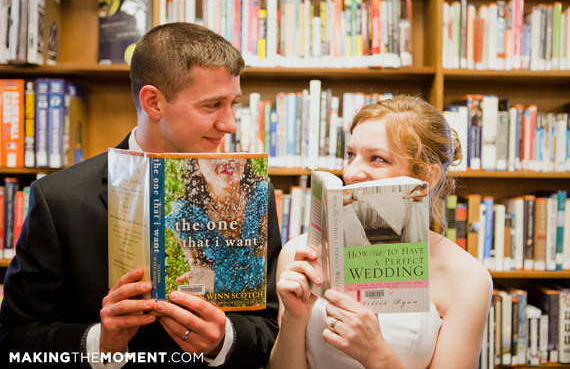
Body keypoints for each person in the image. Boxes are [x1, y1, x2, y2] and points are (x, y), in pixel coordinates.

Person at [0, 23, 282, 368]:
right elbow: (14, 339)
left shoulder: (255, 192)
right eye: (212, 105)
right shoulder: (59, 198)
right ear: (153, 102)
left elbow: (270, 328)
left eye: (232, 103)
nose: (230, 123)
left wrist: (225, 339)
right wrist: (100, 343)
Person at [267, 94, 493, 369]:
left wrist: (376, 354)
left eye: (377, 158)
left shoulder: (468, 279)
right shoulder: (300, 254)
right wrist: (294, 319)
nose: (350, 173)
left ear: (427, 177)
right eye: (351, 155)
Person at [165, 157, 268, 296]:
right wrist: (199, 282)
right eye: (212, 157)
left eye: (234, 153)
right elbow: (197, 267)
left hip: (255, 299)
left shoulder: (261, 194)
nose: (226, 160)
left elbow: (268, 260)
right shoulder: (184, 215)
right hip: (214, 297)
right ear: (197, 167)